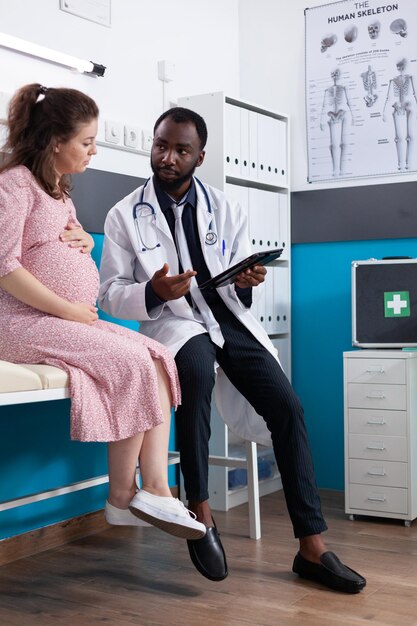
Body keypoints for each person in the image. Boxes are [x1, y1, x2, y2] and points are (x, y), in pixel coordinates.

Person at [98, 107, 367, 593]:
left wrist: (246, 282)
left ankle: (312, 546)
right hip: (175, 324)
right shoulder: (124, 214)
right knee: (196, 376)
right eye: (161, 145)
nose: (168, 157)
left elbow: (242, 281)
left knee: (287, 407)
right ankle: (200, 513)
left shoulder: (227, 207)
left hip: (228, 318)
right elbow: (110, 291)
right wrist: (155, 292)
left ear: (201, 156)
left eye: (181, 150)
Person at [0, 85, 206, 542]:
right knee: (132, 361)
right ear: (56, 140)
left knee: (157, 356)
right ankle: (123, 494)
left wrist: (85, 243)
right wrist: (70, 311)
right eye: (87, 141)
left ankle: (152, 489)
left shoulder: (57, 189)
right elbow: (5, 266)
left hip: (61, 318)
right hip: (21, 324)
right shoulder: (14, 184)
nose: (94, 149)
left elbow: (60, 238)